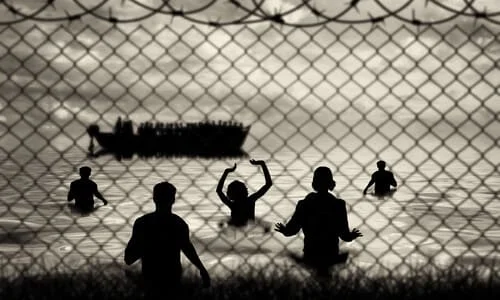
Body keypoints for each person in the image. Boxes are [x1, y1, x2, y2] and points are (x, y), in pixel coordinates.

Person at [125, 182, 210, 299]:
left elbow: (128, 258)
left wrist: (148, 245)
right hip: (172, 277)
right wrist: (202, 269)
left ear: (154, 199)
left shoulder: (143, 223)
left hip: (151, 276)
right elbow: (187, 248)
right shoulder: (178, 223)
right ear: (173, 199)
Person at [275, 166, 362, 276]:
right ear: (331, 183)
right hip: (330, 252)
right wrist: (352, 236)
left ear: (314, 183)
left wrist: (284, 230)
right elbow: (344, 235)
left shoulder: (305, 204)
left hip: (311, 251)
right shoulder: (338, 204)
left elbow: (292, 230)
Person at [216, 159, 272, 228]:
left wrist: (226, 172)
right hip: (248, 229)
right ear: (245, 191)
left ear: (230, 194)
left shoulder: (233, 205)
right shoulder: (250, 201)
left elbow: (219, 191)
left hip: (236, 230)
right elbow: (268, 184)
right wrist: (262, 164)